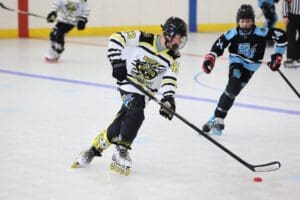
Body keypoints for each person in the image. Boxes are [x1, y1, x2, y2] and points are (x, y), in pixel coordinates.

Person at [71, 17, 188, 175]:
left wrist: (168, 97)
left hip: (145, 93)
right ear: (168, 33)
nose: (180, 41)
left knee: (121, 122)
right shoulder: (143, 38)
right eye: (178, 36)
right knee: (136, 110)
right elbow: (116, 37)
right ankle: (122, 150)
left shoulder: (174, 57)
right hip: (128, 85)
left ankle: (92, 151)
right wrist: (116, 61)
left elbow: (170, 78)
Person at [201, 4, 287, 136]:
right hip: (237, 62)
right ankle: (219, 117)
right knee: (233, 86)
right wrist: (210, 58)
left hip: (251, 68)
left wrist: (278, 56)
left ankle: (214, 119)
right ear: (238, 21)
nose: (245, 24)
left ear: (253, 21)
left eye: (248, 21)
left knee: (232, 93)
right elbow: (219, 45)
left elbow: (282, 36)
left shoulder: (261, 32)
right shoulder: (233, 33)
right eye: (242, 21)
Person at [282, 0, 300, 68]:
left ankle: (297, 56)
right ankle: (291, 58)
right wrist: (285, 15)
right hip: (291, 16)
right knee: (291, 37)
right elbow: (285, 2)